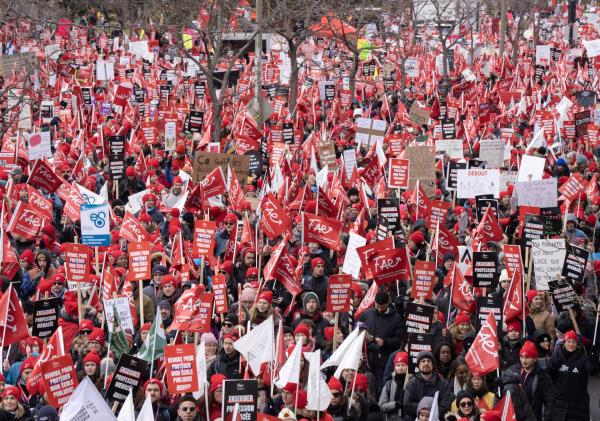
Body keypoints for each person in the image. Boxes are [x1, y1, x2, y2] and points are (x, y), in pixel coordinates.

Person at [546, 330, 597, 421]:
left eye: (573, 342)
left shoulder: (583, 358)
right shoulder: (556, 356)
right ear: (564, 342)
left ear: (577, 344)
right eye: (568, 341)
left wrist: (593, 356)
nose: (571, 344)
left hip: (578, 401)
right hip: (558, 400)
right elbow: (549, 373)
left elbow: (592, 370)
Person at [359, 291, 403, 393]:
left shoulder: (396, 318)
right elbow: (358, 330)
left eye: (382, 307)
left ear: (388, 303)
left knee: (381, 386)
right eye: (377, 306)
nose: (379, 310)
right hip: (367, 357)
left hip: (384, 359)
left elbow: (399, 340)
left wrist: (385, 342)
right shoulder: (366, 314)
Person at [403, 351, 454, 421]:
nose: (426, 363)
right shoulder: (411, 384)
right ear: (418, 365)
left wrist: (429, 412)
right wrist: (424, 410)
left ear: (433, 364)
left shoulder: (443, 384)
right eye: (423, 361)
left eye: (429, 361)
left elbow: (446, 407)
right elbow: (407, 405)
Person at [379, 351, 408, 421]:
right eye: (398, 365)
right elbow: (381, 406)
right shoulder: (389, 384)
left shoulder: (412, 383)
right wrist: (395, 404)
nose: (400, 368)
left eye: (403, 365)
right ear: (394, 367)